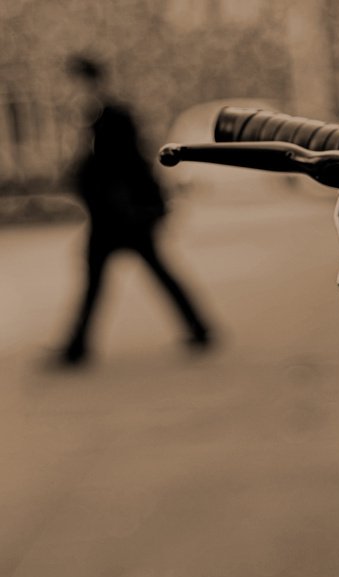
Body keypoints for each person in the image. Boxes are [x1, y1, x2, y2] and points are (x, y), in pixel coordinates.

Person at [57, 55, 213, 367]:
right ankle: (198, 327)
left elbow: (124, 166)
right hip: (116, 215)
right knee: (144, 272)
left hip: (120, 216)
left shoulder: (110, 116)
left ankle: (76, 349)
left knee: (104, 278)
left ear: (88, 81)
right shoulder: (96, 117)